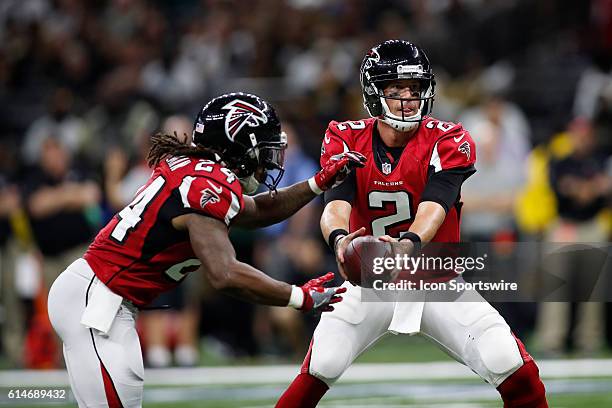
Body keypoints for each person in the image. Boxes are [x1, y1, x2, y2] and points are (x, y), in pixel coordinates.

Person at [47, 92, 366, 408]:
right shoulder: (206, 184)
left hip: (103, 298)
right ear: (239, 145)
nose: (268, 160)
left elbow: (256, 212)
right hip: (97, 301)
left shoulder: (201, 172)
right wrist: (300, 297)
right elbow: (225, 273)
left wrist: (317, 184)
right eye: (263, 149)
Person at [276, 40, 548, 408]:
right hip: (369, 280)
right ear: (374, 94)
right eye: (396, 90)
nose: (408, 99)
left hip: (435, 276)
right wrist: (340, 240)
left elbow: (436, 205)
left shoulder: (448, 138)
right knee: (322, 364)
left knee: (509, 363)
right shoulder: (345, 136)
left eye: (414, 89)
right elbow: (335, 204)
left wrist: (408, 243)